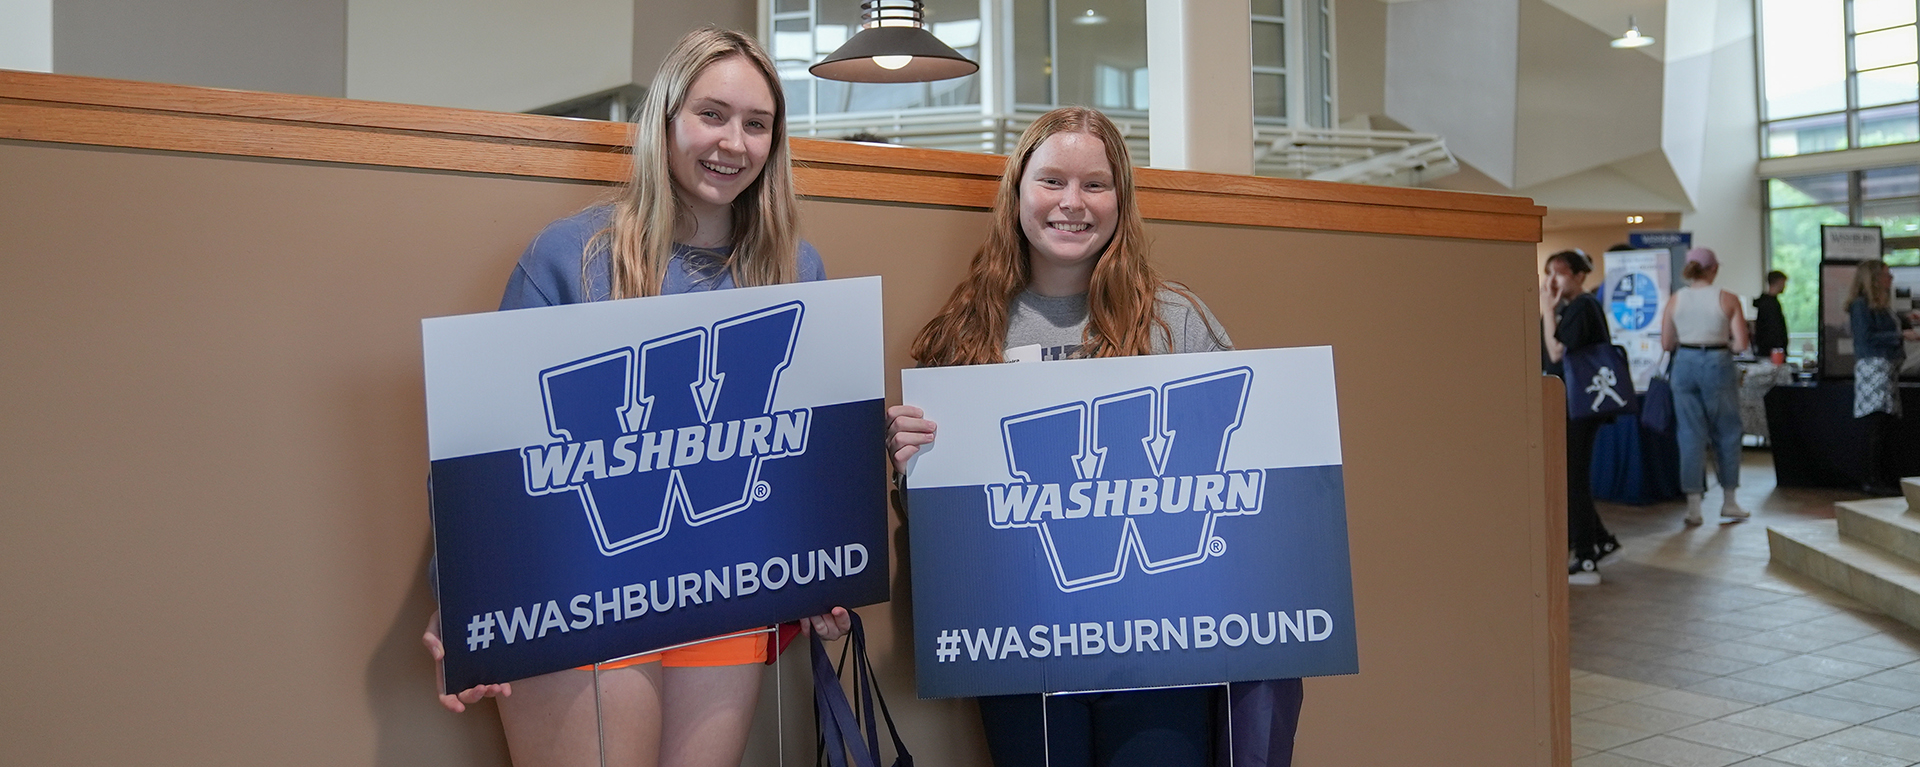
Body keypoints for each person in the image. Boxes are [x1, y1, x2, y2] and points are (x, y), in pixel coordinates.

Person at [420, 27, 850, 767]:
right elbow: (486, 447)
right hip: (578, 583)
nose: (733, 142)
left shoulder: (795, 268)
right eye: (712, 114)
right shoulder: (571, 255)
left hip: (721, 587)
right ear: (666, 119)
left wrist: (824, 568)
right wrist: (465, 592)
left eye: (756, 124)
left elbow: (798, 449)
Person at [885, 106, 1303, 766]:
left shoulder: (1177, 322)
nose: (1072, 203)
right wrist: (912, 469)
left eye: (1095, 184)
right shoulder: (964, 337)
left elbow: (1247, 482)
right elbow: (940, 527)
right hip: (1023, 653)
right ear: (1018, 193)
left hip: (1163, 652)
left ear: (1121, 200)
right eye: (1052, 181)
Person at [1539, 249, 1620, 585]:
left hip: (1579, 407)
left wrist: (1547, 308)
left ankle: (1587, 557)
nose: (1551, 281)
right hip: (1575, 405)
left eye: (1559, 273)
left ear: (1578, 275)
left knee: (1573, 478)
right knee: (1572, 475)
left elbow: (1556, 351)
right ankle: (1601, 540)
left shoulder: (1583, 306)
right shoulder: (1575, 308)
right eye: (1549, 274)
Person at [1658, 248, 1751, 526]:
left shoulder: (1676, 299)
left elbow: (1666, 344)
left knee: (1689, 435)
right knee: (1727, 431)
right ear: (1713, 269)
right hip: (1717, 362)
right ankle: (1730, 501)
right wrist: (1725, 346)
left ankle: (1694, 508)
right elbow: (1742, 344)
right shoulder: (1728, 298)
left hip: (1683, 363)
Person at [1847, 260, 1917, 496]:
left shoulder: (1881, 306)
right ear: (1874, 279)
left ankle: (1881, 477)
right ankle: (1871, 479)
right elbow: (1867, 337)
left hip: (1887, 368)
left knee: (1885, 424)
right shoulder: (1860, 305)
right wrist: (1901, 333)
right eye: (1887, 275)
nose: (1892, 278)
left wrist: (1907, 321)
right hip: (1873, 368)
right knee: (1875, 425)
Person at [1753, 270, 1790, 359]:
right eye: (1783, 283)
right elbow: (1774, 329)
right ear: (1778, 282)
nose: (1784, 286)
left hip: (1769, 351)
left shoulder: (1766, 302)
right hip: (1772, 352)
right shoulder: (1770, 305)